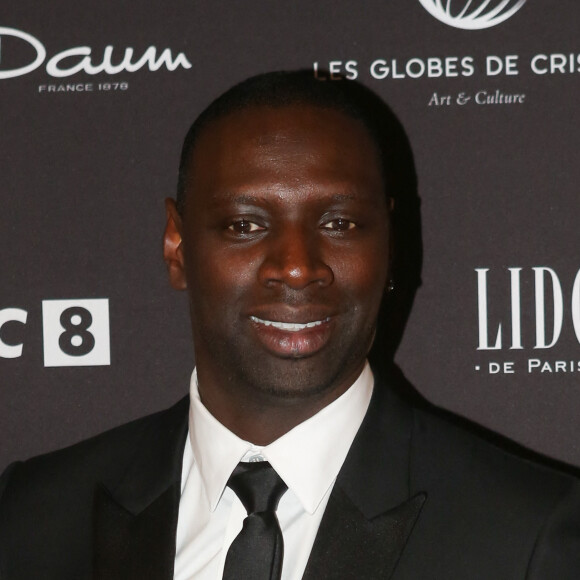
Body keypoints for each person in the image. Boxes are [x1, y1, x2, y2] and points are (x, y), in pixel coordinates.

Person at [1, 71, 579, 579]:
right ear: (177, 245)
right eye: (245, 226)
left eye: (342, 221)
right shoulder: (33, 520)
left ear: (390, 243)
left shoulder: (528, 535)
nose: (298, 267)